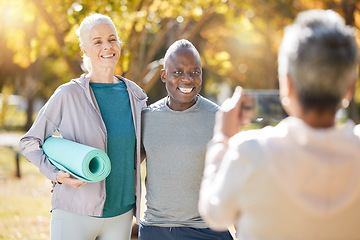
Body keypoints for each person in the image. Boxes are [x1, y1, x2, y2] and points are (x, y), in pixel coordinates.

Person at [198, 9, 360, 239]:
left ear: (287, 84)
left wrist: (222, 138)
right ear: (350, 87)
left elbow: (215, 214)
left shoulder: (251, 153)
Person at [19, 13, 147, 240]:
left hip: (122, 214)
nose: (107, 46)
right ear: (85, 49)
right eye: (97, 42)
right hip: (74, 213)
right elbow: (30, 142)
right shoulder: (67, 94)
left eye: (112, 39)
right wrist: (56, 174)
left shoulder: (136, 96)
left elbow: (138, 149)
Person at [138, 39, 234, 240]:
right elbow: (126, 166)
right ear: (164, 75)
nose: (187, 79)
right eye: (178, 72)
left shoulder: (218, 119)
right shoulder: (146, 118)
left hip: (206, 230)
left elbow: (237, 178)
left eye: (195, 72)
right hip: (157, 230)